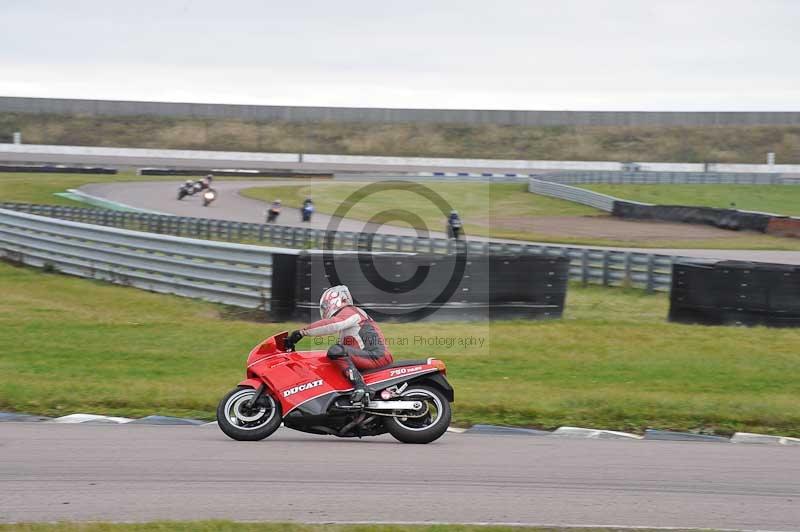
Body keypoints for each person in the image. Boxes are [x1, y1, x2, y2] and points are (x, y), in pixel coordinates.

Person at [285, 285, 393, 406]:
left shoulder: (350, 311)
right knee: (332, 355)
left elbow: (331, 325)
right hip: (371, 355)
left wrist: (301, 333)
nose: (324, 310)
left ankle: (361, 387)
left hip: (375, 356)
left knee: (336, 351)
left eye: (325, 306)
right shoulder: (351, 317)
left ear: (335, 300)